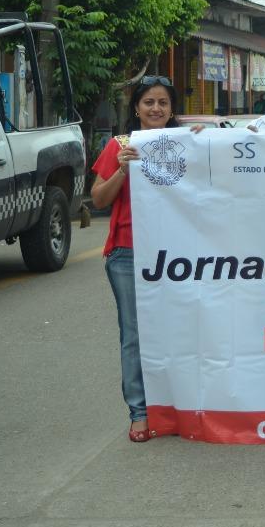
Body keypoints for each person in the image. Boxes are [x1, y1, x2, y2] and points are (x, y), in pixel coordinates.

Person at [89, 75, 181, 443]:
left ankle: (181, 406)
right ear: (137, 109)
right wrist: (123, 170)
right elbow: (98, 200)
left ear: (172, 109)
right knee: (135, 335)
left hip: (179, 255)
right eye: (148, 103)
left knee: (181, 329)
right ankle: (140, 412)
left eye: (162, 103)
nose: (156, 109)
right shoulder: (119, 146)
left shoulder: (186, 144)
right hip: (128, 253)